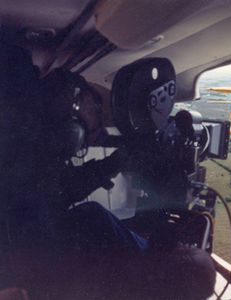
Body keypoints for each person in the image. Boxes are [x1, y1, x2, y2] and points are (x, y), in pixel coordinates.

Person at [1, 44, 215, 299]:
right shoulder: (19, 154)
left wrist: (113, 164)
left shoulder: (25, 156)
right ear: (70, 133)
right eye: (89, 133)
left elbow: (52, 191)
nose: (90, 142)